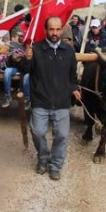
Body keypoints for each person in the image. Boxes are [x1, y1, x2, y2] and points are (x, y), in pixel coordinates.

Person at [19, 16, 80, 181]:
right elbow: (25, 69)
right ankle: (43, 158)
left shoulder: (69, 51)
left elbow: (72, 76)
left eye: (57, 29)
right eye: (51, 29)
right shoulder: (36, 49)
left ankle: (55, 166)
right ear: (46, 30)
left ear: (61, 30)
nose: (54, 32)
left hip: (61, 102)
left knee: (62, 135)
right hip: (40, 100)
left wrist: (74, 88)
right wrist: (28, 58)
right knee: (38, 132)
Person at [2, 28, 30, 110]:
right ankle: (7, 96)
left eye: (21, 36)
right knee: (7, 71)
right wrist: (12, 58)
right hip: (13, 67)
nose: (21, 38)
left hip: (24, 68)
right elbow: (7, 61)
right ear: (13, 37)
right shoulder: (9, 45)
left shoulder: (25, 45)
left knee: (26, 77)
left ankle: (27, 99)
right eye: (18, 36)